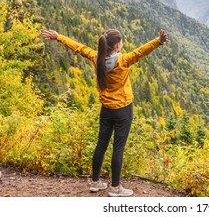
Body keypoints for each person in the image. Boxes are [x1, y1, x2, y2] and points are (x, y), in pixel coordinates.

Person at [42, 28, 169, 197]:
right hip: (123, 110)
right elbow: (141, 52)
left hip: (106, 109)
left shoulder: (97, 58)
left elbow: (79, 48)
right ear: (117, 45)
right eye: (121, 42)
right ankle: (115, 188)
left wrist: (58, 37)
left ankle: (95, 182)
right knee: (118, 148)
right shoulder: (123, 60)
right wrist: (158, 41)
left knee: (101, 144)